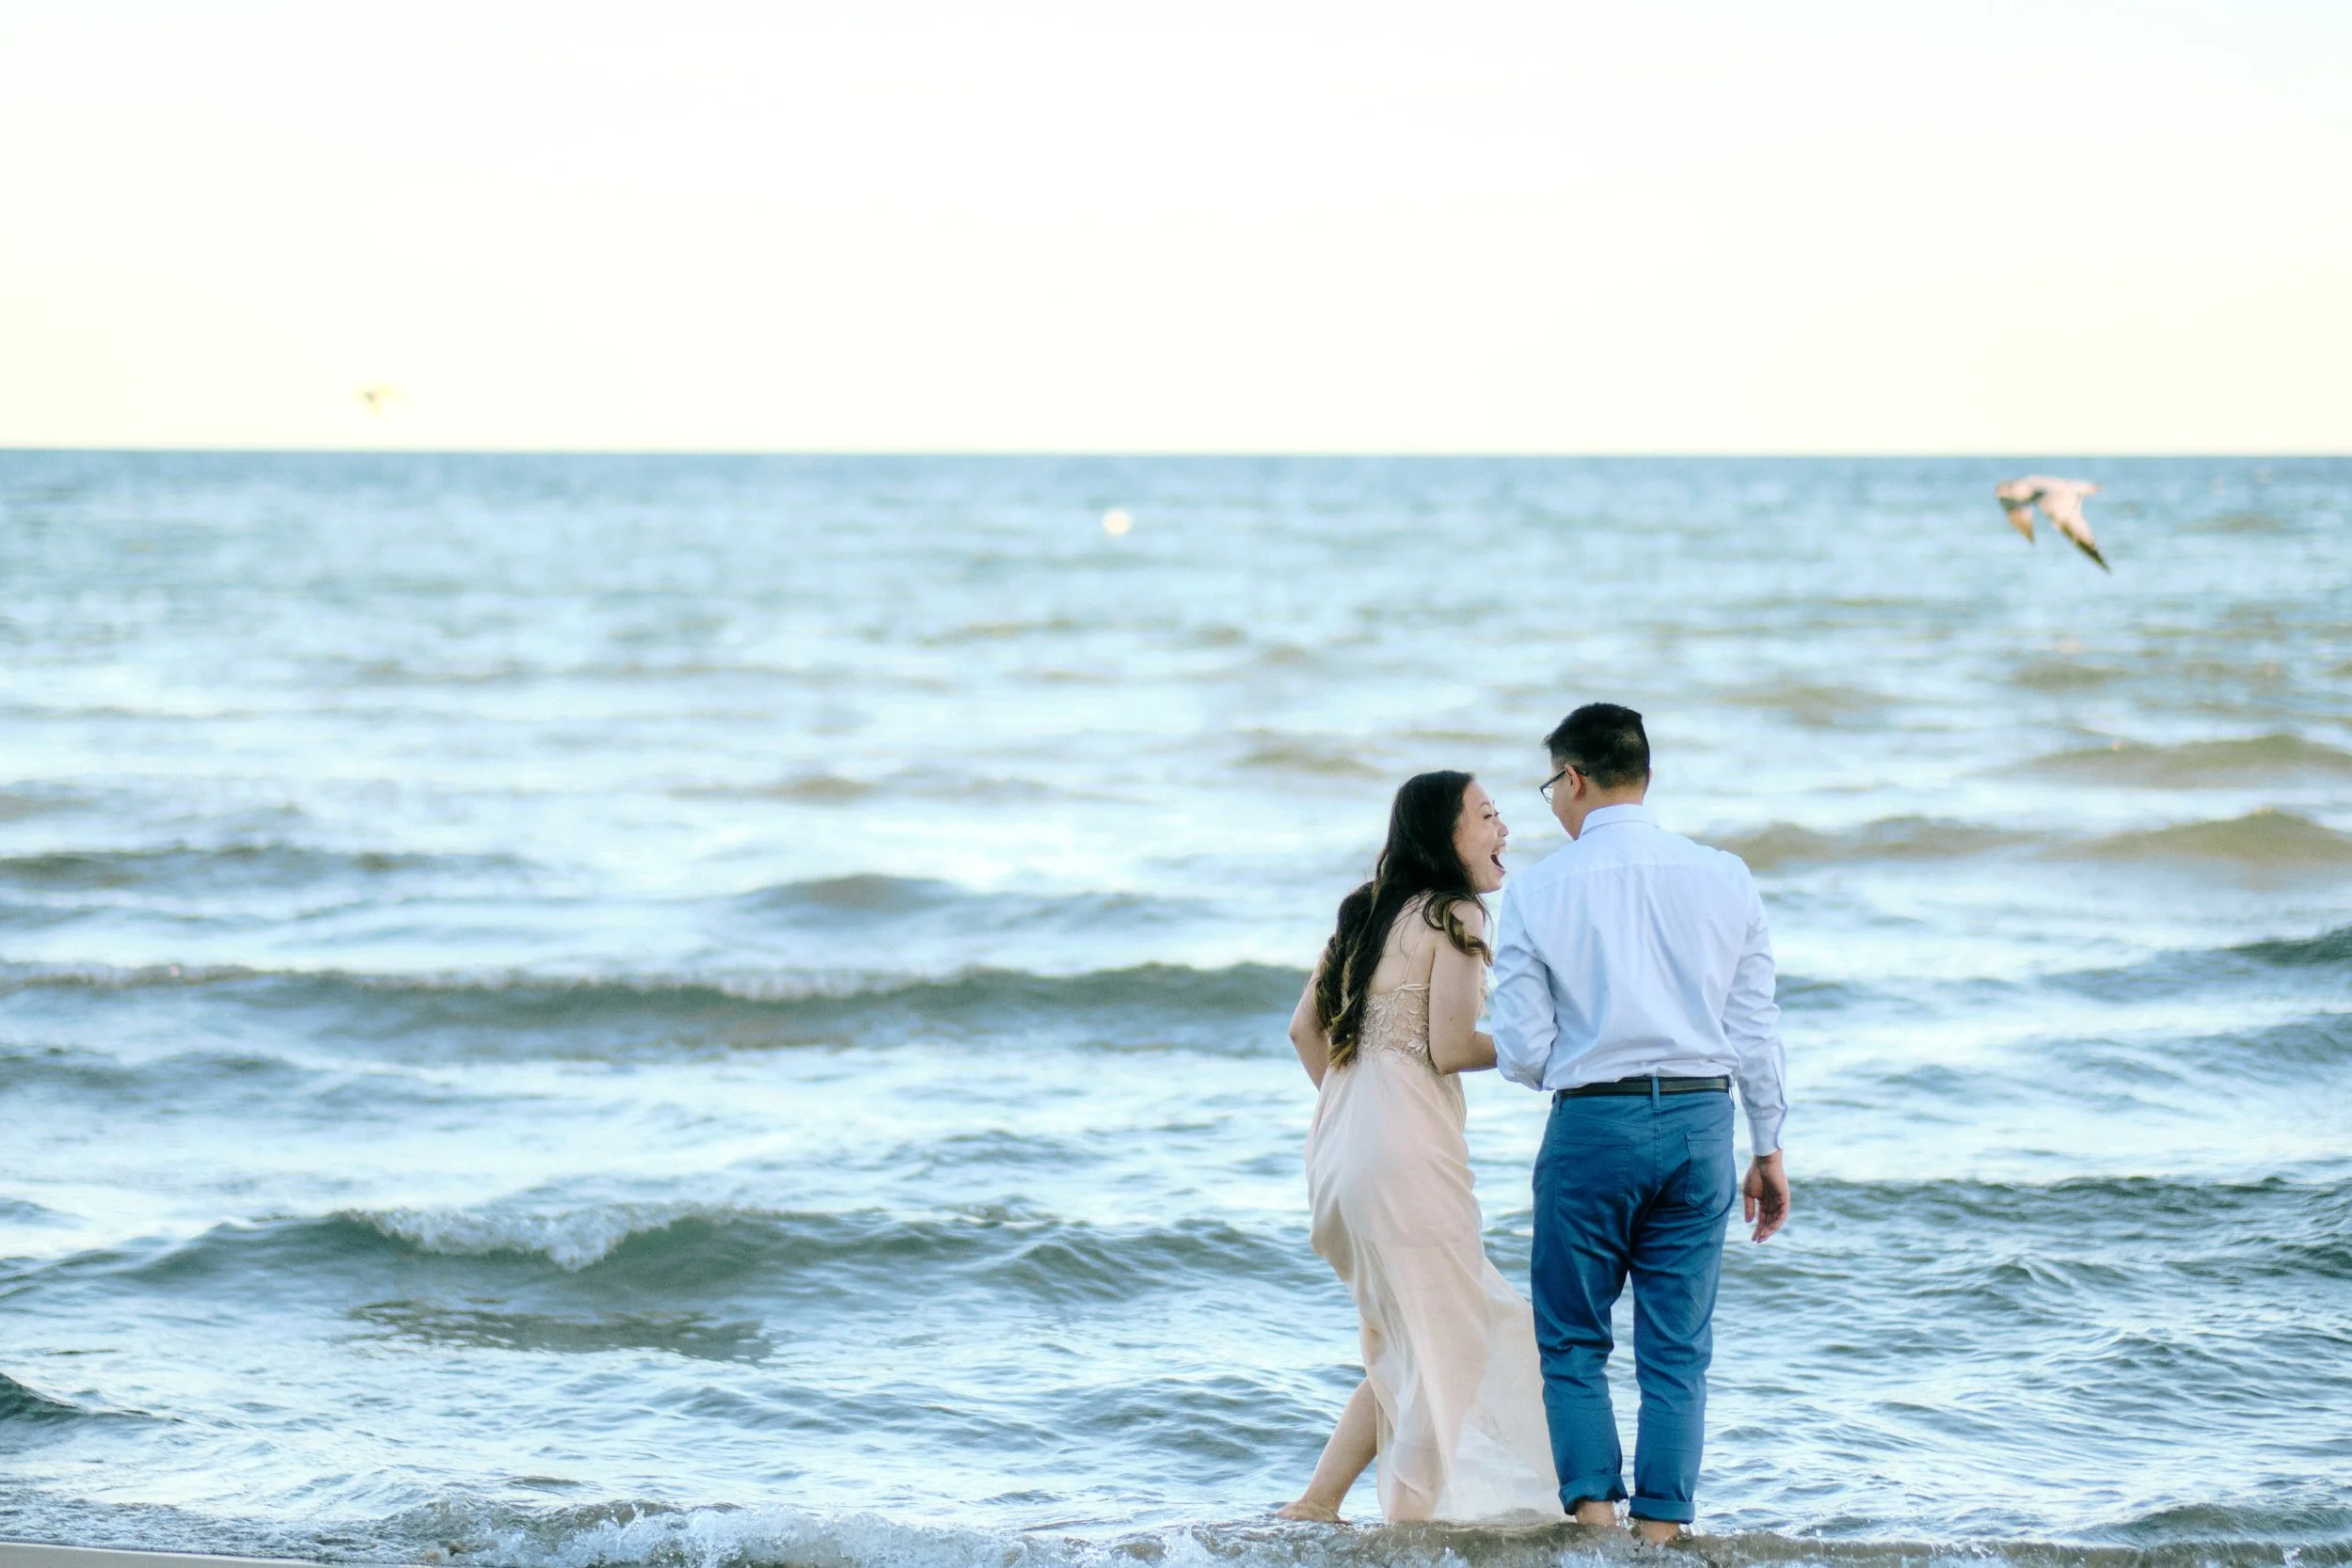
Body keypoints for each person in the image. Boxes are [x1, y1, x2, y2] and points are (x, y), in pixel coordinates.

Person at [1490, 703, 1790, 1543]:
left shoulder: (1540, 887)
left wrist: (1586, 1063)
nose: (1553, 802)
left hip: (1592, 1124)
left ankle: (1594, 1526)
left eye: (1553, 784)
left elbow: (1519, 1048)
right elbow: (1755, 1028)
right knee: (1676, 1349)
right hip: (1704, 1123)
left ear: (1575, 778)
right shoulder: (1725, 875)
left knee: (1574, 1340)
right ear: (1645, 777)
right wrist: (1767, 1144)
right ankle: (1660, 1536)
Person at [1277, 770, 1564, 1525]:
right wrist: (1546, 1047)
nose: (1506, 830)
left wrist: (1361, 1110)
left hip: (1338, 1152)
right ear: (1446, 834)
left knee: (1407, 1340)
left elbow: (1303, 1030)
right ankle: (1407, 1521)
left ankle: (1315, 1504)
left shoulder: (1365, 912)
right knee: (1461, 1336)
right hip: (1406, 1158)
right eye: (1489, 815)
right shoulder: (1456, 913)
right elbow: (1448, 1044)